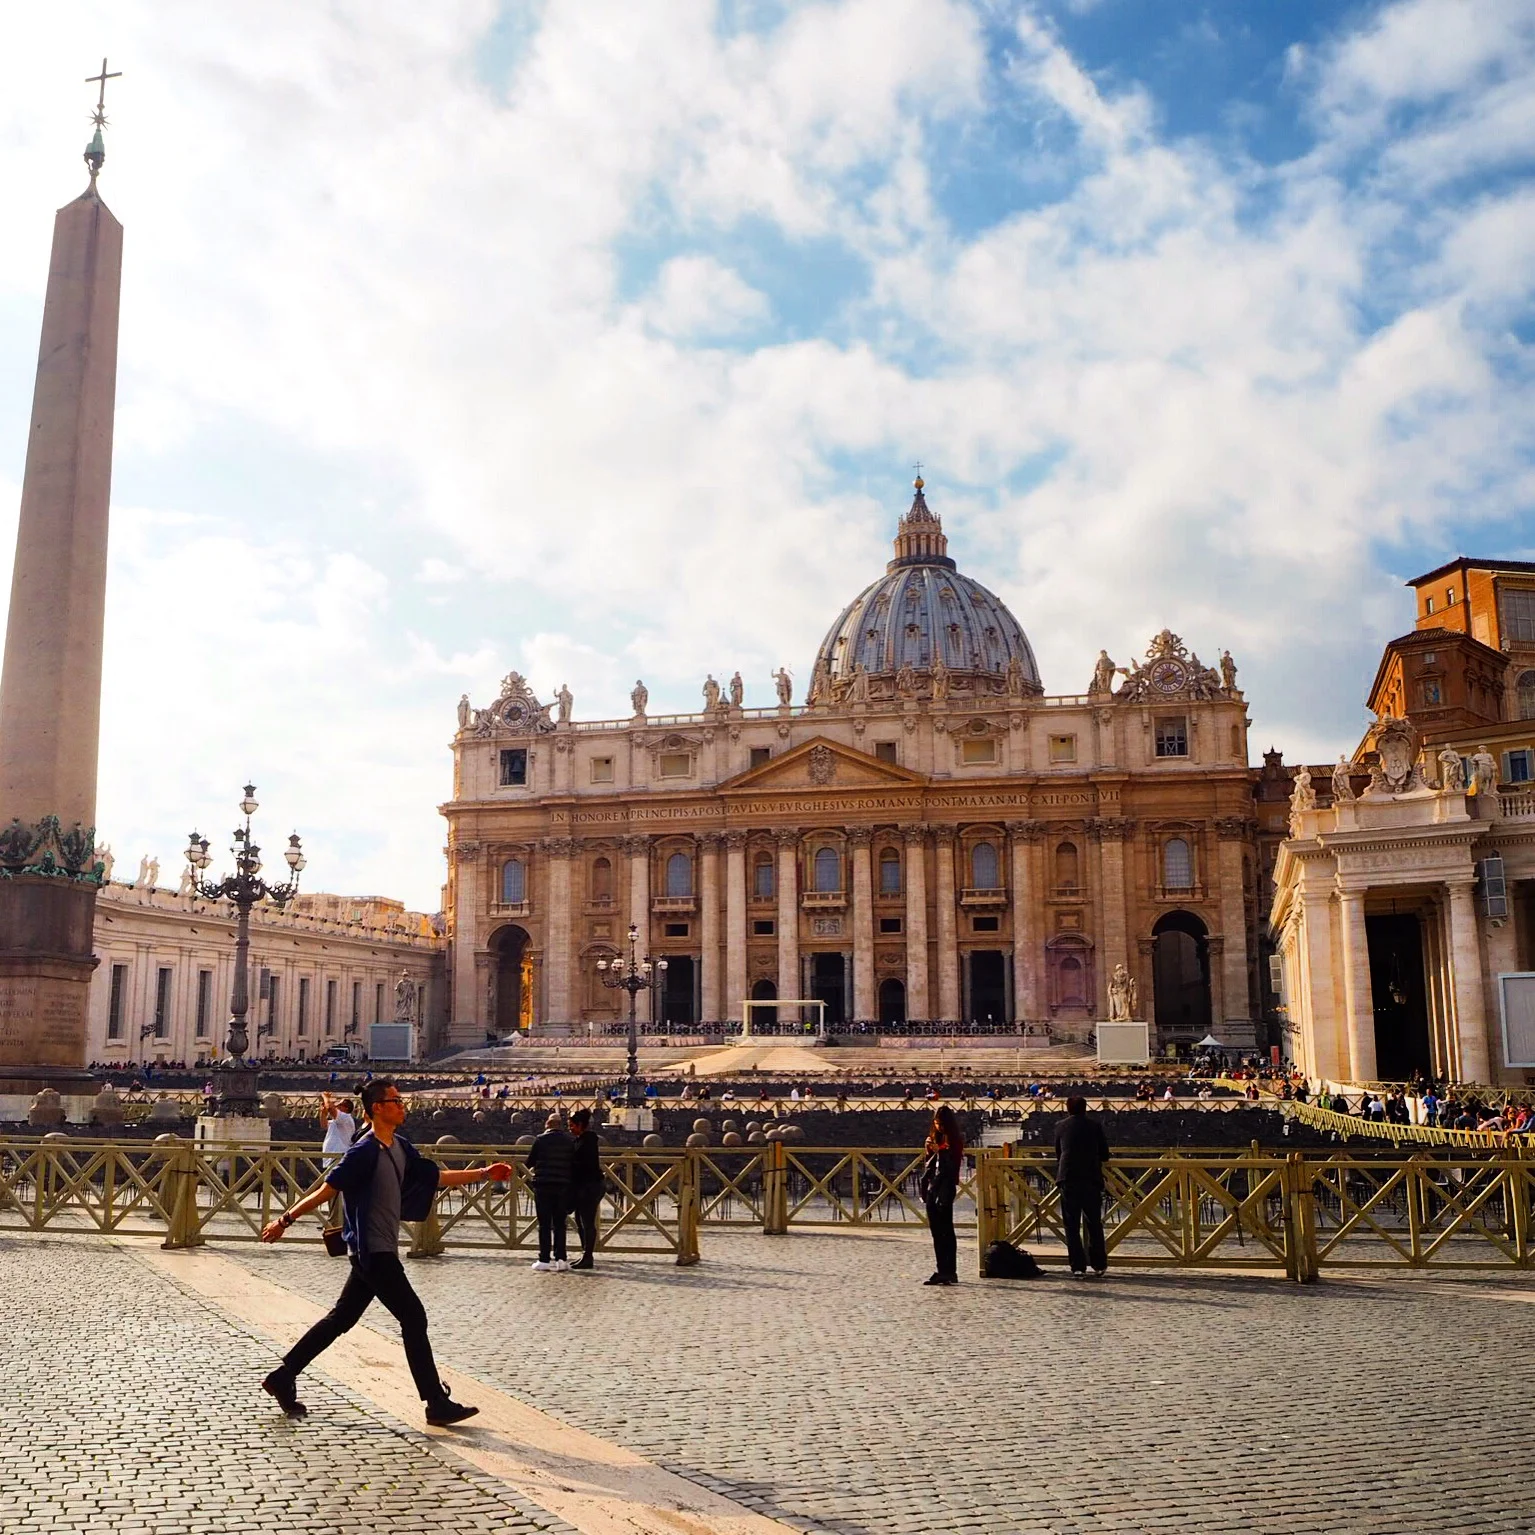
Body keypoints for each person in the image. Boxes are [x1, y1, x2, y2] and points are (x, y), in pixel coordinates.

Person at [257, 1078, 511, 1425]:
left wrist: (483, 1173)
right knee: (413, 1317)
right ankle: (435, 1402)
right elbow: (327, 1190)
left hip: (375, 1249)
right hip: (372, 1251)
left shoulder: (400, 1145)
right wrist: (284, 1220)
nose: (402, 1105)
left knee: (341, 1319)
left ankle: (283, 1376)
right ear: (378, 1107)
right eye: (396, 1100)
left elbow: (433, 1177)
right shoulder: (363, 1150)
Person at [1054, 1096, 1111, 1277]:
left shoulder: (1060, 1126)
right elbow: (1104, 1154)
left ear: (1068, 1109)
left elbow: (1058, 1152)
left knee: (1071, 1225)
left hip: (1068, 1177)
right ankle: (1099, 1264)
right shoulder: (1094, 1126)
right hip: (1090, 1178)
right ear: (1085, 1109)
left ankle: (1077, 1266)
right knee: (1094, 1223)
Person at [920, 1104, 964, 1286]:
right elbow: (930, 1165)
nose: (938, 1127)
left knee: (946, 1230)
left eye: (940, 1123)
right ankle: (942, 1269)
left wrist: (940, 1150)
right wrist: (929, 1150)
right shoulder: (937, 1137)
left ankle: (949, 1270)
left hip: (945, 1187)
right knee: (937, 1232)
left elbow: (951, 1165)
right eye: (936, 1123)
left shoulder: (954, 1140)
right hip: (933, 1186)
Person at [527, 1111, 574, 1272]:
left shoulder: (540, 1140)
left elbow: (530, 1161)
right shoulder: (570, 1141)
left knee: (545, 1224)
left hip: (543, 1185)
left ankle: (544, 1259)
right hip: (563, 1186)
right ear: (561, 1126)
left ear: (547, 1124)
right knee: (560, 1224)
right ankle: (561, 1259)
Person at [569, 1107, 602, 1270]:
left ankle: (588, 1256)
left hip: (589, 1186)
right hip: (583, 1186)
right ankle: (585, 1253)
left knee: (587, 1222)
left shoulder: (587, 1141)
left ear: (581, 1125)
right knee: (580, 1221)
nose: (570, 1128)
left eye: (572, 1125)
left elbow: (583, 1164)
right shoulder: (582, 1140)